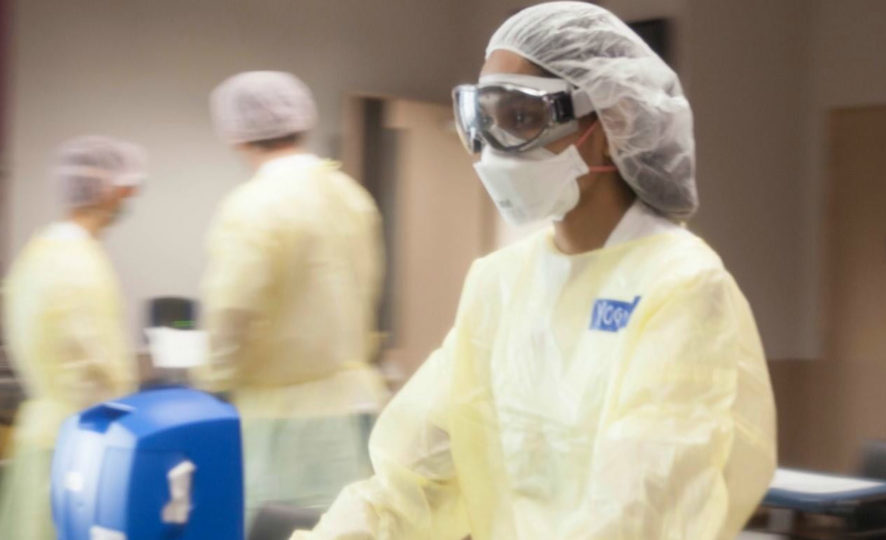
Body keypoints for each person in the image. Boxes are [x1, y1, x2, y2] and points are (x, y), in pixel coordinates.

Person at [294, 2, 777, 539]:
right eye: (484, 120)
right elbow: (412, 478)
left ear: (610, 123)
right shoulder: (501, 282)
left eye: (520, 119)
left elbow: (641, 511)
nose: (494, 150)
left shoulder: (682, 285)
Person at [195, 71, 388, 518]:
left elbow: (231, 314)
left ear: (235, 135)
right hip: (357, 409)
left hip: (284, 424)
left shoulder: (254, 205)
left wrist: (212, 382)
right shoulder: (351, 195)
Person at [0, 136, 144, 538]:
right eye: (128, 186)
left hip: (44, 434)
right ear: (108, 191)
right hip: (78, 444)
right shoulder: (78, 266)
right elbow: (99, 375)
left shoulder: (37, 253)